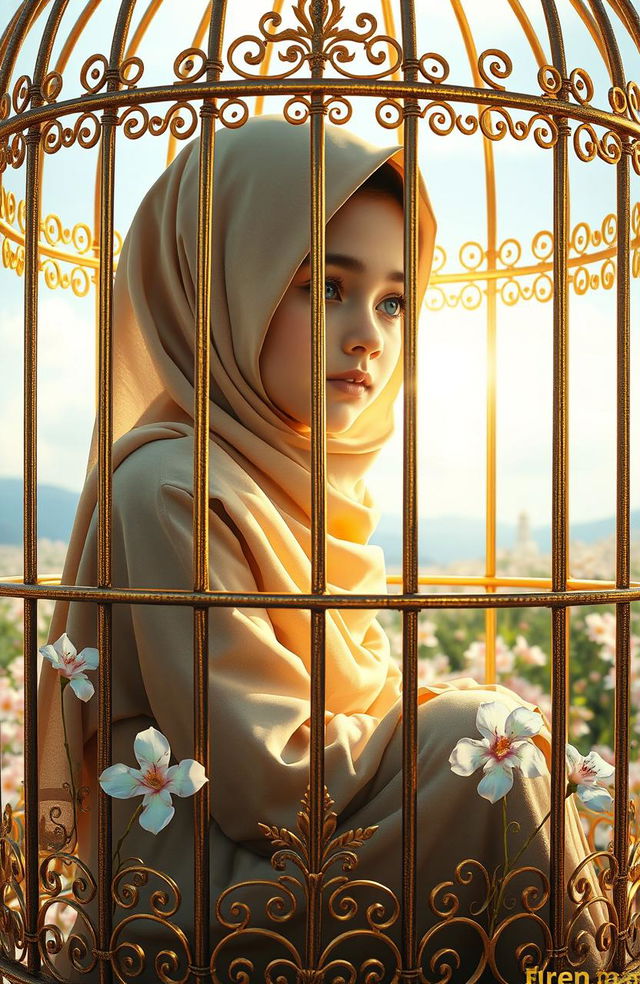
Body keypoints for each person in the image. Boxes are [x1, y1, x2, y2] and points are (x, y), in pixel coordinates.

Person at [35, 115, 610, 983]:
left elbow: (354, 709)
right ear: (222, 282)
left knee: (488, 742)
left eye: (391, 300)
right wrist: (449, 728)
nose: (370, 337)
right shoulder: (172, 482)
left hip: (310, 843)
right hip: (203, 883)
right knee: (494, 743)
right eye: (322, 286)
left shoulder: (292, 479)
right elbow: (264, 781)